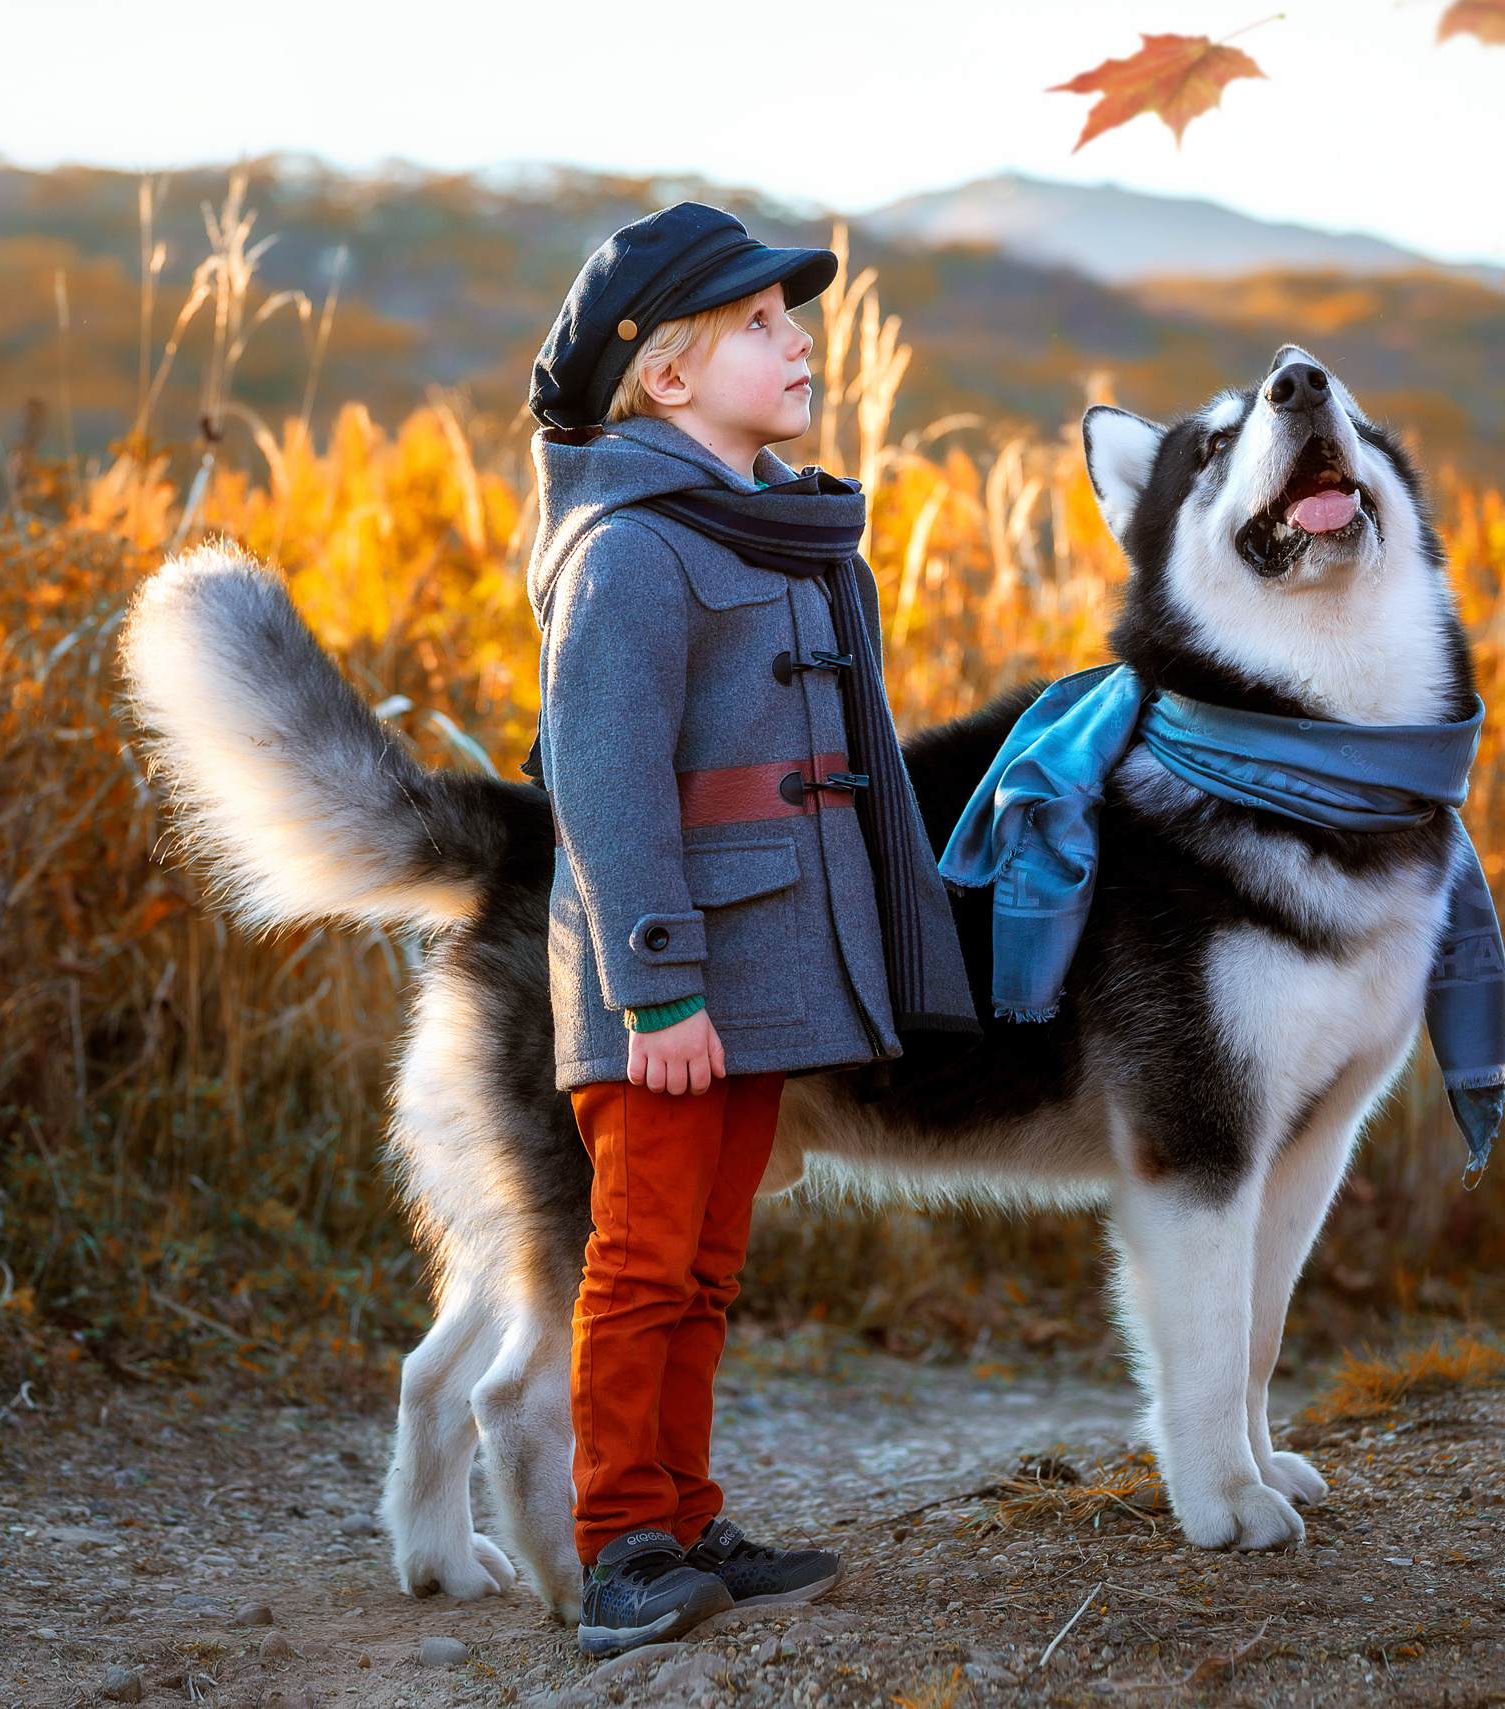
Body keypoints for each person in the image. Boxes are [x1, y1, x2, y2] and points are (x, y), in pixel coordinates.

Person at [524, 203, 975, 1657]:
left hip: (765, 969)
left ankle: (688, 1508)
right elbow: (603, 775)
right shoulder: (634, 549)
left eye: (794, 319)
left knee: (709, 1267)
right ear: (666, 377)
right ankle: (619, 1543)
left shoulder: (774, 530)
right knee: (642, 1260)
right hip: (668, 985)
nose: (799, 344)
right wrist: (654, 988)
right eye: (764, 327)